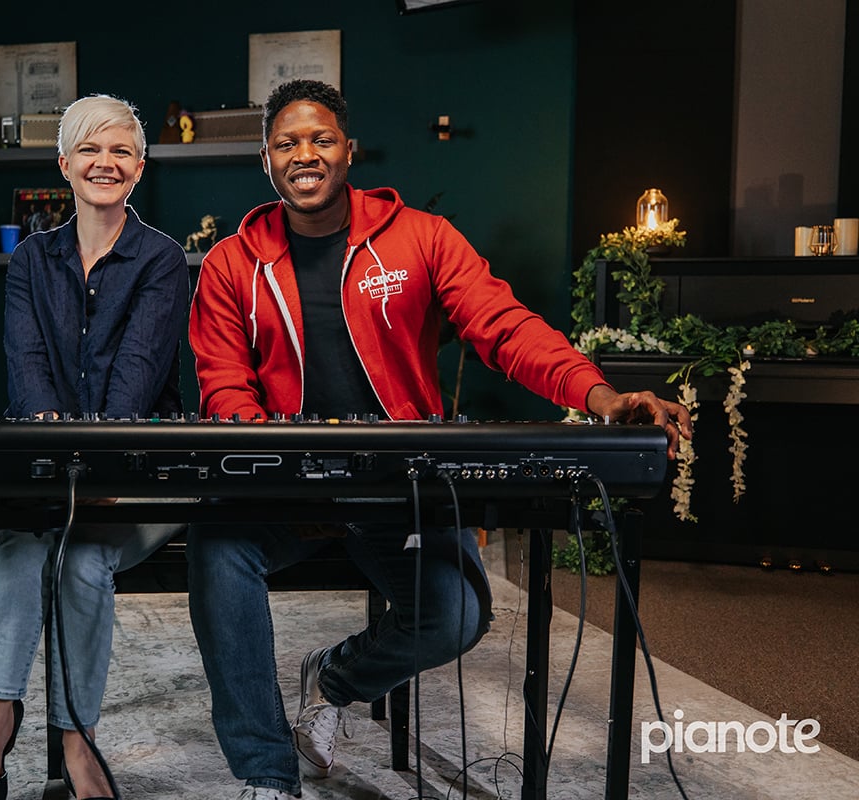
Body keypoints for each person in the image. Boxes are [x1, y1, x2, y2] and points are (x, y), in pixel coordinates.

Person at [185, 79, 693, 800]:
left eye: (321, 138)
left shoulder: (420, 238)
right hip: (288, 487)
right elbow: (226, 389)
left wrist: (600, 396)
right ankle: (267, 772)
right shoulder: (234, 264)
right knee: (216, 547)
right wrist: (291, 478)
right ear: (265, 159)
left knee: (456, 614)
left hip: (399, 486)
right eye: (286, 142)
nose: (305, 154)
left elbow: (505, 328)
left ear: (348, 150)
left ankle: (331, 680)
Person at [0, 94, 189, 800]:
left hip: (141, 476)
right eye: (90, 149)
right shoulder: (30, 260)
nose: (105, 162)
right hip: (49, 471)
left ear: (140, 168)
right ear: (64, 165)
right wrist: (58, 469)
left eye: (120, 151)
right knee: (34, 547)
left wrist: (88, 473)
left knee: (79, 554)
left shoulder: (163, 259)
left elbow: (133, 389)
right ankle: (0, 722)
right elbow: (27, 374)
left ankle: (68, 737)